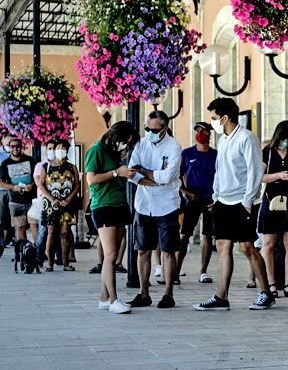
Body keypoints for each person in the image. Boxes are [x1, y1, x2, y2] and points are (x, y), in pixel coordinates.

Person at [193, 98, 274, 311]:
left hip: (242, 202)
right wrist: (216, 196)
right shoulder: (224, 140)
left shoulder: (247, 138)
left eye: (214, 118)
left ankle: (266, 292)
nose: (212, 123)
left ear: (225, 117)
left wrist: (248, 201)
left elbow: (255, 171)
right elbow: (220, 170)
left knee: (247, 247)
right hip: (223, 201)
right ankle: (221, 297)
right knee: (222, 246)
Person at [126, 111, 183, 309]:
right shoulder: (141, 144)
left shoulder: (174, 147)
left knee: (168, 250)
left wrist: (143, 171)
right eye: (147, 128)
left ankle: (168, 293)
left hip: (167, 205)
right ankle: (144, 293)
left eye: (154, 129)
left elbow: (167, 177)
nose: (150, 132)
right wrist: (149, 179)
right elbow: (130, 172)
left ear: (164, 129)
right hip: (144, 204)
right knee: (142, 249)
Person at [86, 122, 140, 314]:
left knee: (115, 253)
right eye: (126, 142)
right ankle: (114, 299)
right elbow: (91, 179)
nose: (126, 147)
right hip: (104, 205)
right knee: (110, 256)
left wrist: (127, 172)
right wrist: (116, 172)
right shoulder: (96, 150)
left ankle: (104, 297)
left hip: (119, 204)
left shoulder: (114, 153)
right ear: (116, 136)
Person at [258, 120, 288, 299]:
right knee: (269, 244)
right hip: (271, 200)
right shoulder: (267, 152)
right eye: (284, 139)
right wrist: (279, 176)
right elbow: (260, 176)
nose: (286, 142)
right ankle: (271, 284)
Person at [177, 123, 217, 284]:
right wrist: (185, 191)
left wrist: (217, 198)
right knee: (185, 235)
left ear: (209, 135)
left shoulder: (215, 155)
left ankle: (203, 271)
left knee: (207, 236)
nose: (200, 134)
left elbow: (222, 176)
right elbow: (177, 176)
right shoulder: (187, 154)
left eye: (203, 131)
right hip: (192, 199)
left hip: (210, 200)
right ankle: (176, 271)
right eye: (197, 131)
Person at [36, 139, 80, 272]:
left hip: (67, 204)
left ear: (67, 150)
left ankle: (65, 263)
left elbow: (77, 185)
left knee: (66, 232)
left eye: (63, 148)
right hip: (51, 205)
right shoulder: (46, 167)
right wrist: (52, 199)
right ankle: (50, 263)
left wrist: (68, 199)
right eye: (58, 147)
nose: (60, 150)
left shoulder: (72, 167)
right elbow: (41, 185)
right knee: (51, 232)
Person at [0, 137, 38, 243]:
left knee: (34, 225)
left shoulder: (30, 160)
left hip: (32, 200)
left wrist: (32, 184)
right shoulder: (5, 163)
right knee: (19, 227)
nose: (15, 148)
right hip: (15, 201)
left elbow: (38, 177)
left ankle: (39, 253)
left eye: (17, 146)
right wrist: (13, 187)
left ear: (21, 147)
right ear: (9, 148)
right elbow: (1, 181)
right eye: (12, 146)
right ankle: (23, 252)